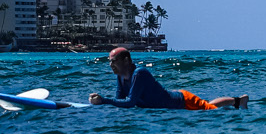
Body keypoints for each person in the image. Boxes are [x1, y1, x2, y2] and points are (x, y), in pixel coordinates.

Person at [89, 46, 248, 110]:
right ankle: (237, 101)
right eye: (109, 62)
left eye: (114, 62)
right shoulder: (120, 76)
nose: (111, 65)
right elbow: (120, 100)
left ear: (126, 61)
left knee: (211, 110)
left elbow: (129, 102)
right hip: (174, 100)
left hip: (182, 101)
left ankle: (238, 101)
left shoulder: (140, 73)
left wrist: (104, 100)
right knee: (207, 105)